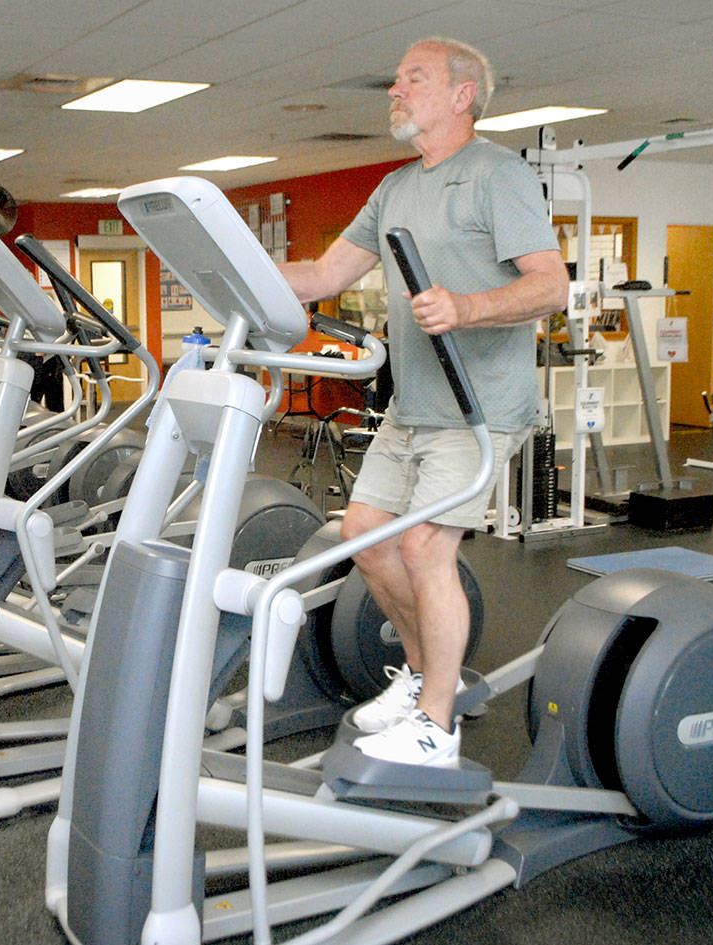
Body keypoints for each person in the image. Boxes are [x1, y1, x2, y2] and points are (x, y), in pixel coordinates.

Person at [278, 37, 568, 767]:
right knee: (368, 535)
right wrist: (228, 267)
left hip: (481, 406)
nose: (395, 91)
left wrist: (466, 307)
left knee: (425, 547)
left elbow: (551, 286)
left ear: (462, 95)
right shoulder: (395, 186)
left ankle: (439, 721)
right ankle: (419, 678)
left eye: (414, 79)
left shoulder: (498, 175)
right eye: (397, 80)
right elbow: (317, 275)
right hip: (413, 405)